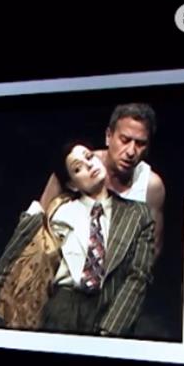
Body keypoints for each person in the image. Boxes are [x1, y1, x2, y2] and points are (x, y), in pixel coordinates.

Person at [0, 141, 155, 336]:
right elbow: (21, 246)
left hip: (109, 307)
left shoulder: (137, 214)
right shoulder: (61, 210)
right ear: (72, 183)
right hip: (62, 309)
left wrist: (111, 330)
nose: (89, 166)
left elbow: (139, 275)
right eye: (78, 168)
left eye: (89, 157)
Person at [40, 103, 165, 258]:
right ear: (108, 136)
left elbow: (152, 249)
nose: (131, 152)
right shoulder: (78, 167)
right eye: (124, 140)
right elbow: (39, 221)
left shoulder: (150, 185)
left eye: (140, 144)